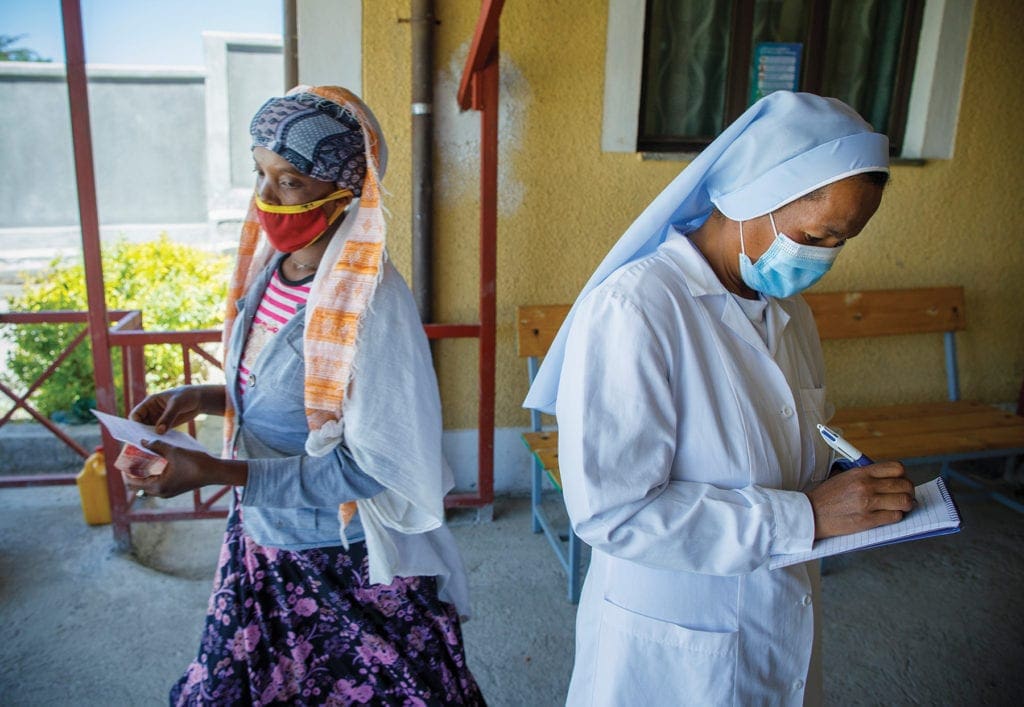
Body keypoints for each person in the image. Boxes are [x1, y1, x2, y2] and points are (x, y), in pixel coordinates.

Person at [523, 91, 915, 705]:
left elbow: (794, 435)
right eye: (818, 234)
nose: (825, 258)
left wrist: (845, 484)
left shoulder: (786, 309)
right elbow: (612, 512)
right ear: (753, 194)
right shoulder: (638, 309)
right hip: (676, 637)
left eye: (843, 242)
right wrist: (808, 516)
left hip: (778, 607)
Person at [125, 85, 485, 706]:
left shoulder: (372, 306)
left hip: (334, 557)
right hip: (262, 536)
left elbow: (372, 466)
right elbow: (277, 388)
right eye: (261, 173)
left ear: (345, 190)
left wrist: (216, 470)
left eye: (290, 181)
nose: (266, 197)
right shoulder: (272, 273)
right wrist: (199, 397)